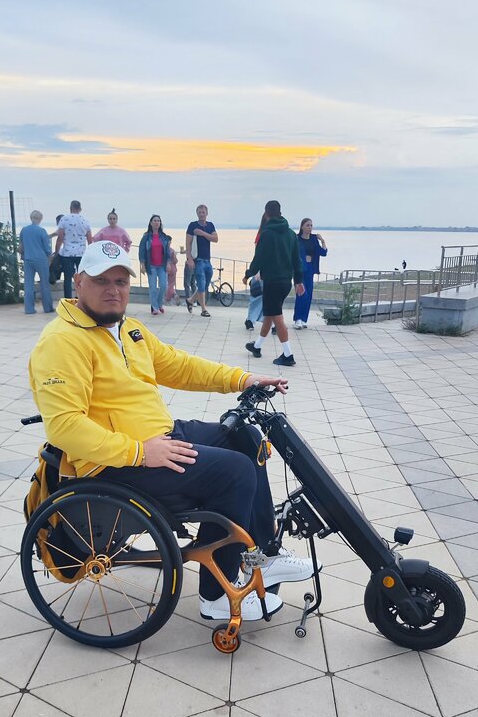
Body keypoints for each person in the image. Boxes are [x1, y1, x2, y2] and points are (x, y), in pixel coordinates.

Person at [29, 240, 315, 622]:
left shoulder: (128, 329)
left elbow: (180, 366)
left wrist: (243, 379)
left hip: (160, 438)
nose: (113, 290)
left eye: (121, 281)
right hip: (115, 464)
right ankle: (216, 596)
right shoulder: (61, 342)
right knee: (236, 472)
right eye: (101, 281)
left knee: (245, 438)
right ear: (78, 282)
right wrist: (140, 453)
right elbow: (64, 426)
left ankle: (264, 555)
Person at [243, 200, 304, 366]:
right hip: (286, 282)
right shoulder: (291, 234)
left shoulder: (266, 234)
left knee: (277, 317)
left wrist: (248, 274)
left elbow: (259, 258)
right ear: (280, 213)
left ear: (266, 214)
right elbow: (297, 260)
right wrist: (299, 281)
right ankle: (257, 346)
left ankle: (288, 355)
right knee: (269, 313)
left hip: (272, 282)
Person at [293, 219, 328, 328]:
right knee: (301, 294)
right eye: (307, 225)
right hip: (299, 270)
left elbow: (323, 253)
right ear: (302, 227)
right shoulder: (297, 239)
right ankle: (297, 319)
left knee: (308, 295)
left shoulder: (313, 239)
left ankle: (304, 319)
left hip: (310, 269)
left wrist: (322, 241)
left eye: (311, 225)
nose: (310, 227)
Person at [18, 210, 54, 315]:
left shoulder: (24, 230)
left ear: (31, 218)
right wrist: (50, 257)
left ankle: (29, 309)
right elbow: (47, 249)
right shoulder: (42, 231)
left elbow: (20, 247)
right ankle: (47, 308)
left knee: (28, 284)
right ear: (40, 219)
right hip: (41, 259)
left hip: (28, 259)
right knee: (44, 284)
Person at [55, 201, 93, 299]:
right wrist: (91, 253)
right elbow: (89, 239)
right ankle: (82, 298)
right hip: (81, 253)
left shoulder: (64, 219)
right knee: (82, 277)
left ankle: (68, 299)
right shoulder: (85, 221)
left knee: (67, 278)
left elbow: (60, 238)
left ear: (70, 208)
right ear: (80, 209)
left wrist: (56, 251)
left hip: (67, 254)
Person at [186, 204, 217, 317]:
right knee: (201, 283)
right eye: (199, 212)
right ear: (197, 213)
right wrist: (189, 259)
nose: (201, 214)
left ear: (207, 213)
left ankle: (190, 300)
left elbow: (215, 239)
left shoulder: (210, 225)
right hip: (197, 260)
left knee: (204, 285)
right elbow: (188, 243)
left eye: (203, 212)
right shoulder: (192, 225)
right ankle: (204, 309)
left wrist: (202, 233)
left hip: (207, 260)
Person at [138, 215, 171, 314]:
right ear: (151, 223)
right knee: (152, 287)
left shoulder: (164, 237)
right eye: (155, 221)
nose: (157, 222)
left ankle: (159, 304)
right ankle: (154, 307)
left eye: (158, 221)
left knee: (164, 285)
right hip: (151, 265)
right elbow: (142, 251)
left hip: (162, 266)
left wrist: (168, 263)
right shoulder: (146, 237)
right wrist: (142, 264)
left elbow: (167, 251)